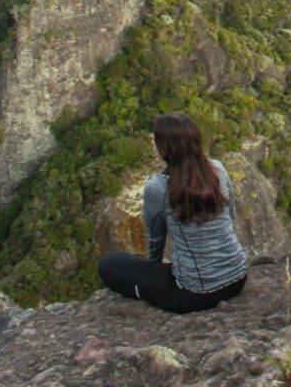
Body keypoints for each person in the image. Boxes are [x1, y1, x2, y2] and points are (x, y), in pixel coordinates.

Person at [98, 112, 249, 313]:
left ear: (164, 148)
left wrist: (152, 272)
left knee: (109, 265)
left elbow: (155, 242)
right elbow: (230, 216)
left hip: (198, 292)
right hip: (238, 277)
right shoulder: (218, 170)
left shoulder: (159, 188)